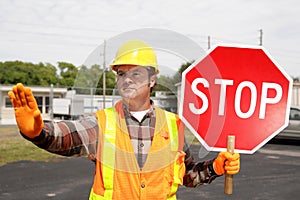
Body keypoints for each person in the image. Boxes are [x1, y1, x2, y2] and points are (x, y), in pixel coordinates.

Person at [8, 40, 240, 200]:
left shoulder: (173, 125)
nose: (126, 79)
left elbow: (187, 175)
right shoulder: (100, 124)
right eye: (121, 74)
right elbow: (65, 135)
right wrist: (37, 131)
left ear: (152, 80)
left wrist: (216, 167)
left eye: (135, 73)